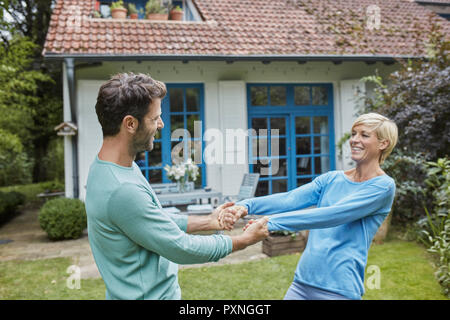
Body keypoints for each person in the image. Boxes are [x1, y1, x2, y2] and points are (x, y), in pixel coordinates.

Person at [85, 72, 269, 300]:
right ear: (130, 123)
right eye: (155, 118)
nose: (161, 124)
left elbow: (150, 220)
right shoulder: (122, 189)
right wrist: (244, 240)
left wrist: (207, 222)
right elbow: (181, 247)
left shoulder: (107, 168)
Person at [221, 113, 398, 300]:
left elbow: (332, 215)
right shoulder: (332, 179)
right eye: (354, 133)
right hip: (302, 283)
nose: (354, 140)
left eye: (364, 135)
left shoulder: (383, 187)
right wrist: (244, 206)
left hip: (338, 289)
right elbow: (290, 199)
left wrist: (269, 223)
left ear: (383, 144)